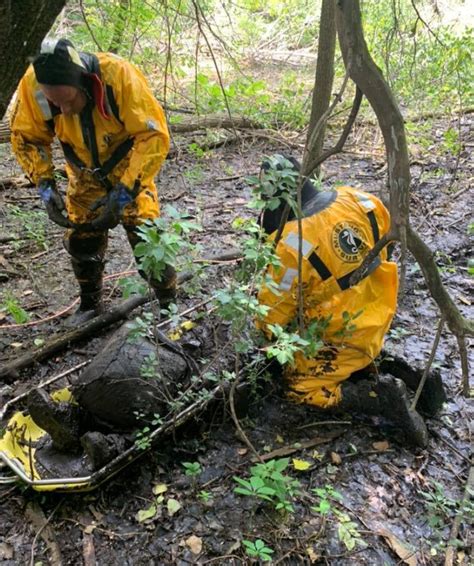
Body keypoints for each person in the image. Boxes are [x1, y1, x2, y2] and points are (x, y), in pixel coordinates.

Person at [257, 155, 445, 447]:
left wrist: (268, 339)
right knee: (356, 348)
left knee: (301, 389)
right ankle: (400, 372)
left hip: (342, 332)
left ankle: (378, 398)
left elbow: (273, 314)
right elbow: (388, 244)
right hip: (380, 312)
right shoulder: (359, 199)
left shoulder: (292, 243)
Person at [10, 38, 176, 324]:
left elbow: (153, 137)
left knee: (146, 237)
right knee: (82, 239)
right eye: (54, 103)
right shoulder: (34, 86)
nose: (63, 110)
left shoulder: (119, 77)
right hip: (83, 171)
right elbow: (27, 137)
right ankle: (89, 305)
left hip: (129, 166)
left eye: (68, 101)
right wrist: (46, 186)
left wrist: (124, 193)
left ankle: (168, 305)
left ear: (86, 83)